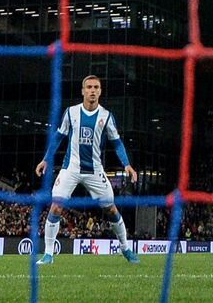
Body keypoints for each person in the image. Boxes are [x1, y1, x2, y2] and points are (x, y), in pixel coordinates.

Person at [34, 75, 139, 265]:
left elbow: (116, 143)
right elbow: (58, 137)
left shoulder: (106, 116)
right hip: (70, 168)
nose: (92, 90)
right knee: (56, 205)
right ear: (83, 91)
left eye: (96, 87)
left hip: (95, 170)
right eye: (89, 87)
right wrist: (46, 160)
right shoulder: (71, 113)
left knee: (111, 209)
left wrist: (127, 164)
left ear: (100, 91)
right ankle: (48, 254)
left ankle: (126, 249)